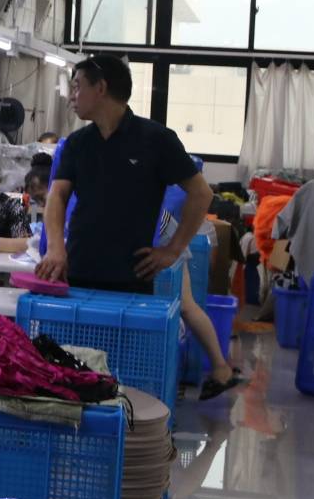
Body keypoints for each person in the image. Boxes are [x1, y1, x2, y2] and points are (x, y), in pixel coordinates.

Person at [36, 55, 243, 399]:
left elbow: (201, 194)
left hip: (130, 278)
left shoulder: (156, 140)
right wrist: (56, 247)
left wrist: (173, 250)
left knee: (122, 376)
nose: (71, 96)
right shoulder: (77, 143)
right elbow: (57, 197)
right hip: (78, 272)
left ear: (101, 88)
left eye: (77, 87)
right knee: (76, 370)